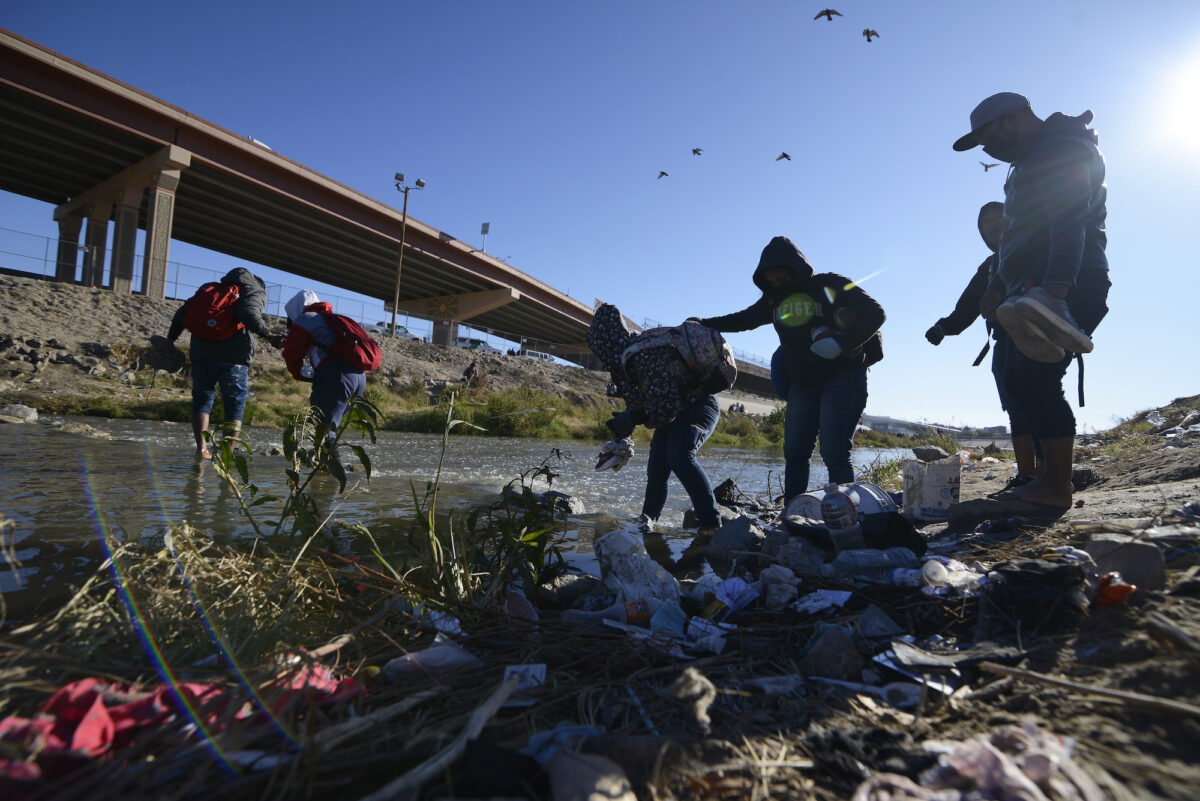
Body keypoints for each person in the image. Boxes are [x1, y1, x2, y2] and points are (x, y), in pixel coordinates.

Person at [953, 92, 1110, 509]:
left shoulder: (1062, 147)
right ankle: (1046, 479)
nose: (988, 149)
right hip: (1030, 285)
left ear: (1013, 119)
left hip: (1068, 281)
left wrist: (1056, 288)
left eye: (988, 137)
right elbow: (1021, 235)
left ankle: (1054, 487)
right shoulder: (1026, 160)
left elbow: (1067, 216)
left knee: (1037, 377)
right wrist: (999, 285)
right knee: (1023, 379)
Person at [698, 236, 885, 503]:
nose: (777, 285)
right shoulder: (773, 301)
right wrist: (704, 323)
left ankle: (848, 515)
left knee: (834, 451)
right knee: (795, 453)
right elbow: (743, 319)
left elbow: (876, 313)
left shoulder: (828, 284)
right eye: (771, 281)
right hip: (802, 383)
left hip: (843, 378)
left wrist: (842, 343)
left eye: (782, 279)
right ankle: (792, 512)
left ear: (796, 270)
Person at [925, 202, 1039, 492]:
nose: (992, 223)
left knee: (1041, 401)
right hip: (1003, 342)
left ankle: (1052, 473)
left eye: (998, 216)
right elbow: (967, 307)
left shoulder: (1036, 247)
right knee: (1015, 407)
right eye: (985, 222)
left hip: (1038, 335)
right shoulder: (988, 267)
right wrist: (944, 327)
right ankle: (1027, 474)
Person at [587, 303, 723, 535]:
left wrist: (634, 417)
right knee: (657, 469)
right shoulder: (622, 364)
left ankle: (711, 524)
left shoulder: (645, 353)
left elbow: (666, 403)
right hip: (671, 415)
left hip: (698, 406)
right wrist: (622, 439)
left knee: (679, 454)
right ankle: (648, 522)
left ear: (605, 342)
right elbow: (639, 405)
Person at [166, 267, 282, 459]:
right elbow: (248, 312)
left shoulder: (209, 289)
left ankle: (201, 450)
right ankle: (226, 455)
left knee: (202, 400)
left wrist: (170, 340)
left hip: (202, 354)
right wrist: (269, 335)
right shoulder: (254, 289)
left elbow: (182, 314)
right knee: (234, 405)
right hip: (233, 358)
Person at [282, 290, 367, 438]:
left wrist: (300, 375)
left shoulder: (306, 319)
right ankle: (322, 459)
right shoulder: (332, 320)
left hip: (337, 376)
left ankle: (330, 460)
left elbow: (291, 354)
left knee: (321, 429)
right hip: (359, 378)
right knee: (329, 426)